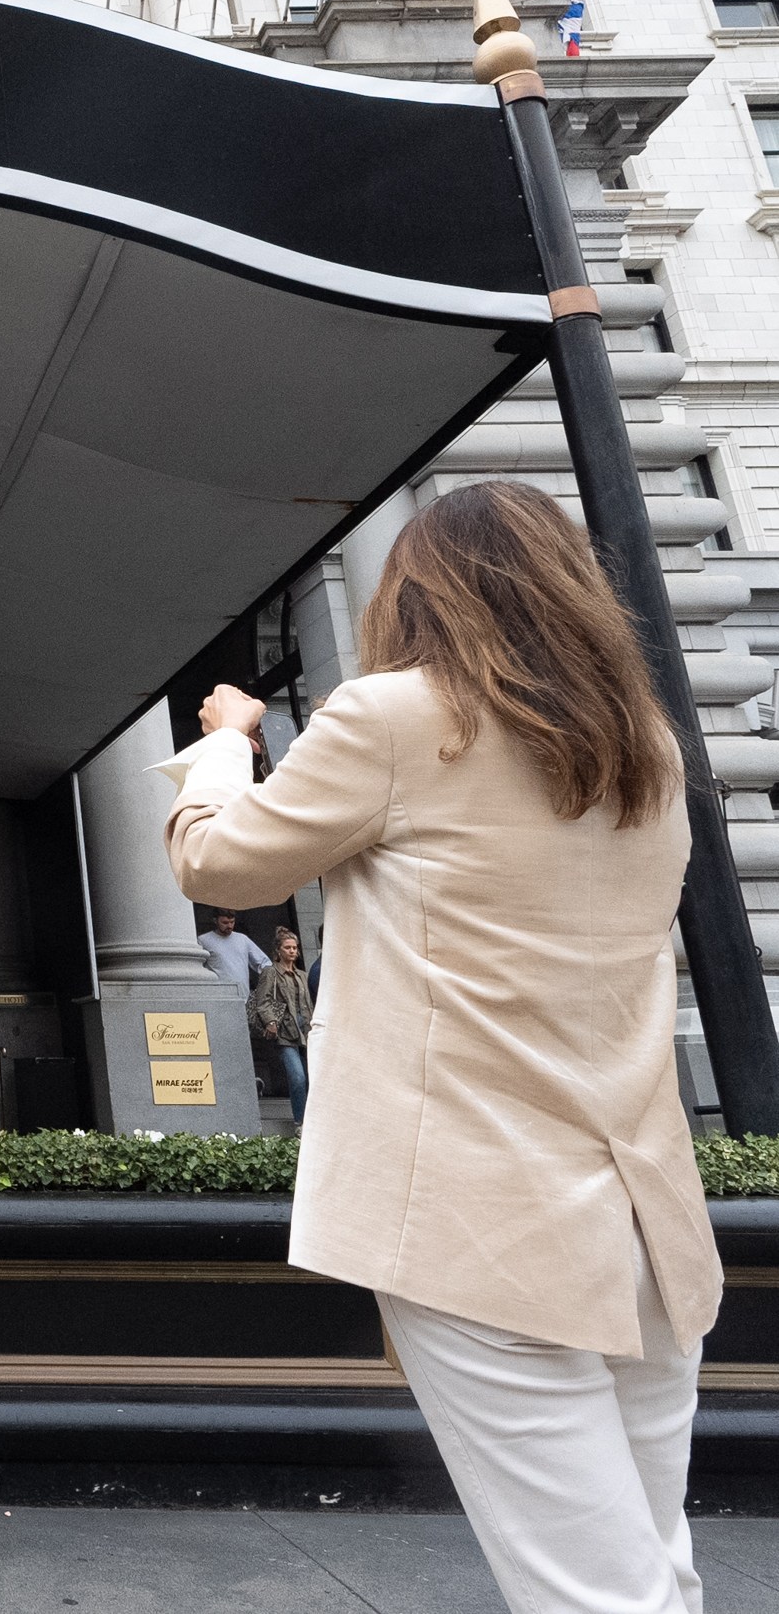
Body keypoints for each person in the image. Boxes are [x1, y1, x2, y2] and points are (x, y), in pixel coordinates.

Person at [162, 481, 721, 1614]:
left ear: (417, 594)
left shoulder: (395, 716)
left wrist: (225, 743)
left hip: (479, 1215)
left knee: (590, 1591)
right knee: (652, 1561)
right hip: (646, 1216)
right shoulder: (645, 745)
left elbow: (216, 865)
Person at [248, 926, 312, 1124]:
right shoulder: (271, 973)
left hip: (306, 1030)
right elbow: (262, 1000)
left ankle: (312, 1121)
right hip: (285, 1032)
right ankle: (300, 1122)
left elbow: (309, 1003)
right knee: (298, 1077)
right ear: (278, 951)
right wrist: (271, 1021)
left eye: (295, 947)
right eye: (288, 947)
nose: (292, 951)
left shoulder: (302, 975)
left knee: (311, 1078)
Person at [195, 908, 268, 996]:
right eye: (225, 923)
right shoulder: (204, 940)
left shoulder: (242, 939)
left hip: (244, 995)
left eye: (232, 922)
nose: (229, 926)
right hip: (218, 996)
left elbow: (263, 962)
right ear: (215, 921)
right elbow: (197, 968)